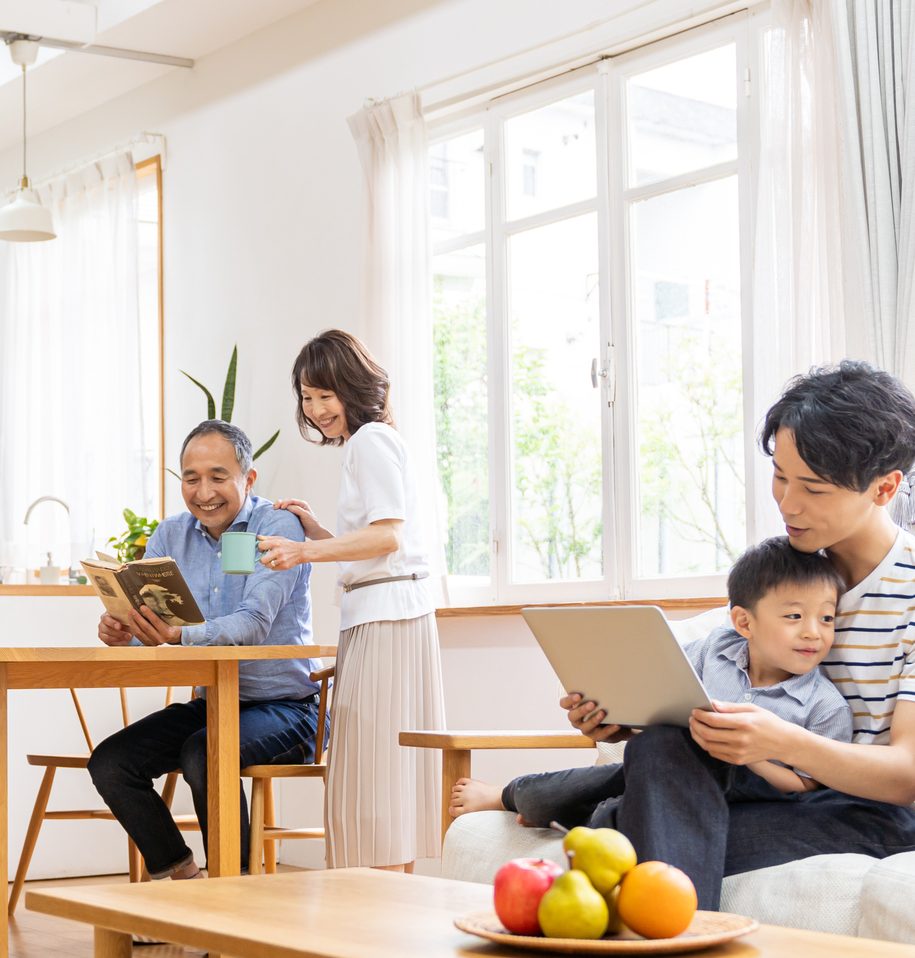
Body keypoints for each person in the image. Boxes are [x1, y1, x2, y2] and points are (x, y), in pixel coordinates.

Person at [498, 361, 915, 958]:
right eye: (780, 476)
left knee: (618, 839)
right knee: (660, 741)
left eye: (811, 487)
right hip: (756, 780)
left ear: (885, 489)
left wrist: (779, 738)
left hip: (884, 814)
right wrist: (619, 717)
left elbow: (908, 775)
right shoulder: (783, 574)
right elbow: (713, 690)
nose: (788, 500)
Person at [452, 536, 856, 837]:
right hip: (663, 765)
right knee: (625, 766)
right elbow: (667, 695)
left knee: (618, 799)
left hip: (746, 797)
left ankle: (561, 807)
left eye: (826, 619)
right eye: (794, 616)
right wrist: (619, 714)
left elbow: (805, 788)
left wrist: (745, 754)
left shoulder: (825, 706)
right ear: (744, 623)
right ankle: (516, 795)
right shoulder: (715, 649)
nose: (813, 633)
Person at [87, 420, 319, 880]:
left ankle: (235, 894)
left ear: (248, 479)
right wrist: (125, 630)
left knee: (203, 751)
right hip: (213, 702)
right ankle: (183, 879)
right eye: (191, 478)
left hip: (289, 708)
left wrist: (174, 634)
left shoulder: (278, 526)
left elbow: (253, 624)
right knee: (111, 763)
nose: (203, 491)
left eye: (218, 476)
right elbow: (156, 623)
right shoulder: (170, 536)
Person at [259, 330, 446, 871]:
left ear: (353, 387)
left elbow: (387, 537)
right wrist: (315, 529)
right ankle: (388, 905)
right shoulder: (372, 444)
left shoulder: (371, 442)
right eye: (307, 397)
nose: (316, 410)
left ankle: (378, 907)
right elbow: (373, 544)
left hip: (387, 618)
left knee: (373, 769)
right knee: (383, 771)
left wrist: (301, 551)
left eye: (326, 395)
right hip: (384, 614)